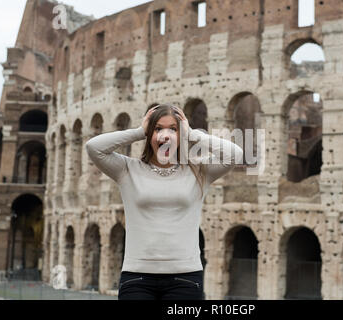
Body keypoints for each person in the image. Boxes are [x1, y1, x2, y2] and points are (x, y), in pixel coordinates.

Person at [86, 103, 244, 300]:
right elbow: (94, 147)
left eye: (173, 129)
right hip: (137, 277)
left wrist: (193, 134)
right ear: (149, 134)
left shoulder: (199, 171)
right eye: (158, 129)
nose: (165, 136)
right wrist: (138, 131)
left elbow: (235, 154)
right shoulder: (127, 169)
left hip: (185, 278)